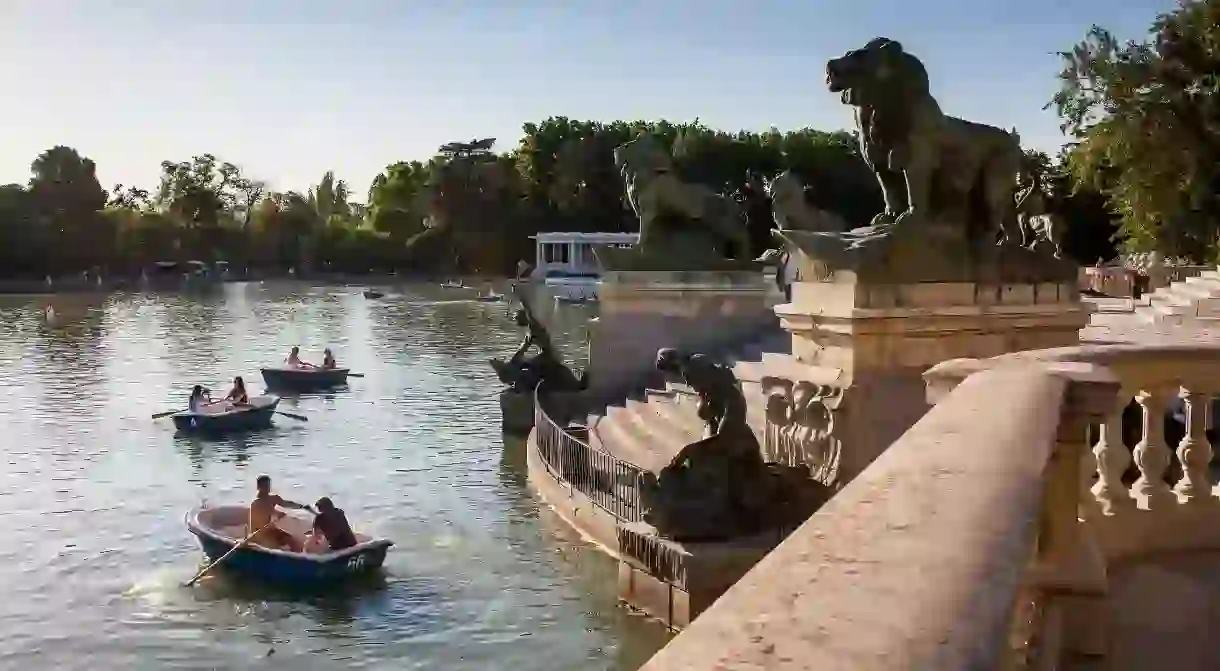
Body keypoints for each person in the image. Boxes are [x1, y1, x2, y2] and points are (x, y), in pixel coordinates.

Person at [247, 475, 314, 552]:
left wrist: (302, 506)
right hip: (259, 533)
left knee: (291, 540)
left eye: (268, 486)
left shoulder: (272, 498)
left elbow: (286, 503)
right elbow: (256, 523)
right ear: (258, 487)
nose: (267, 489)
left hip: (271, 530)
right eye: (265, 486)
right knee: (272, 546)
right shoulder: (256, 503)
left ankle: (297, 558)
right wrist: (277, 514)